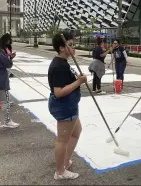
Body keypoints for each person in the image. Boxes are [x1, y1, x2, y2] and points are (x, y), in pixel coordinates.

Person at [48, 32, 87, 180]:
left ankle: (65, 161)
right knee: (62, 140)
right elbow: (58, 92)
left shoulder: (64, 63)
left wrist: (77, 78)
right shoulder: (59, 66)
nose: (74, 47)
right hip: (64, 106)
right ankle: (60, 171)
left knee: (77, 131)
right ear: (61, 48)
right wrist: (78, 82)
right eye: (70, 45)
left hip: (70, 105)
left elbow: (66, 82)